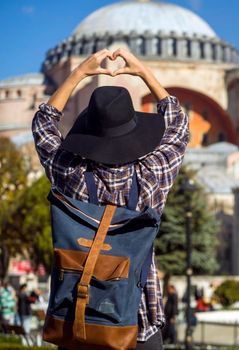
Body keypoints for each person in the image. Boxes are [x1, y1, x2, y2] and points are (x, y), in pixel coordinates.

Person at [32, 48, 190, 349]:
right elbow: (178, 127)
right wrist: (143, 72)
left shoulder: (70, 172)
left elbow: (44, 125)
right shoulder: (152, 175)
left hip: (77, 323)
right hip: (136, 323)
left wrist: (78, 74)